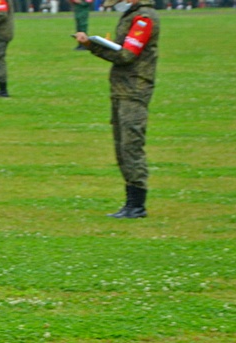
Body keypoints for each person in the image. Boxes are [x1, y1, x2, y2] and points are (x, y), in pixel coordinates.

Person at [73, 0, 159, 218]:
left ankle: (137, 204)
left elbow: (127, 55)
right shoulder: (133, 15)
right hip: (123, 89)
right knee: (121, 147)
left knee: (131, 145)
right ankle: (131, 203)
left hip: (134, 90)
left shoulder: (143, 18)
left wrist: (92, 46)